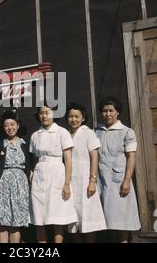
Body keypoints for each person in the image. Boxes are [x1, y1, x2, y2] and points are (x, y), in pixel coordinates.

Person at [95, 96, 141, 243]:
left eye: (111, 110)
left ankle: (124, 240)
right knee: (107, 215)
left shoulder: (127, 132)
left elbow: (131, 157)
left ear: (117, 112)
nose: (107, 114)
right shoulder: (96, 131)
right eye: (104, 111)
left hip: (119, 179)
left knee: (122, 214)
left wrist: (127, 180)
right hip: (101, 178)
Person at [29, 104, 77, 243]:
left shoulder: (62, 132)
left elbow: (68, 160)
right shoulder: (35, 135)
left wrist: (67, 184)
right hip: (39, 175)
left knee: (57, 217)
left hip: (57, 174)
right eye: (41, 113)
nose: (44, 116)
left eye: (47, 113)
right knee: (39, 218)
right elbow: (33, 159)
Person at [0, 110, 32, 243]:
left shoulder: (25, 144)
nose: (10, 128)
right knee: (3, 223)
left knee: (16, 223)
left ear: (18, 125)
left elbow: (31, 168)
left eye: (12, 124)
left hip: (20, 186)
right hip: (1, 185)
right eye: (6, 125)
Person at [65, 103, 106, 242]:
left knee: (88, 218)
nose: (74, 119)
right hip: (70, 180)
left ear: (83, 118)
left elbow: (94, 157)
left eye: (77, 116)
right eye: (71, 116)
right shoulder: (65, 134)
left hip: (85, 179)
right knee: (73, 219)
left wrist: (92, 181)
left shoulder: (88, 132)